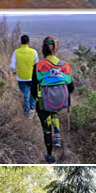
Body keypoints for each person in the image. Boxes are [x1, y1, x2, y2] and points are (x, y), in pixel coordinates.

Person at [31, 35, 74, 163]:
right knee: (54, 111)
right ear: (56, 49)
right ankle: (57, 135)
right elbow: (71, 87)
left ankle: (50, 156)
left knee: (46, 129)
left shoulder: (38, 66)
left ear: (43, 49)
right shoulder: (65, 66)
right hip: (60, 101)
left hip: (43, 102)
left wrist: (37, 100)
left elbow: (33, 88)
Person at [10, 34, 37, 115]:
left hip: (21, 78)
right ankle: (32, 107)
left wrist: (14, 71)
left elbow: (12, 66)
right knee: (33, 93)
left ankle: (27, 113)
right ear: (29, 42)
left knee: (25, 96)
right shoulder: (34, 52)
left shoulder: (16, 52)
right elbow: (37, 65)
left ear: (21, 42)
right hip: (32, 77)